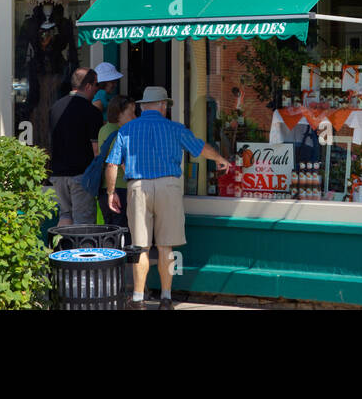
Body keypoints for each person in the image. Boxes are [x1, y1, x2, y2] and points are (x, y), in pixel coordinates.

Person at [106, 85, 230, 309]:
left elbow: (112, 164)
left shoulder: (126, 130)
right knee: (165, 247)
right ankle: (165, 298)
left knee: (140, 247)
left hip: (138, 187)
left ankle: (137, 299)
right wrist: (220, 159)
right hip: (168, 187)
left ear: (143, 107)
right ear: (163, 106)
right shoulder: (175, 128)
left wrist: (111, 191)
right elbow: (200, 148)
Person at [50, 66, 103, 226]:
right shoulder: (92, 112)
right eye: (96, 85)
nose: (96, 89)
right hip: (81, 175)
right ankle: (80, 251)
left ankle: (60, 249)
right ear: (88, 86)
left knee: (65, 215)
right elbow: (96, 149)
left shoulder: (55, 108)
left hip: (58, 174)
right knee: (83, 222)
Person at [81, 95, 135, 228]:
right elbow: (123, 164)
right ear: (119, 113)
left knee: (110, 230)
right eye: (131, 113)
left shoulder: (103, 130)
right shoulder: (121, 133)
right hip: (120, 189)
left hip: (103, 188)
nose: (135, 117)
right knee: (123, 232)